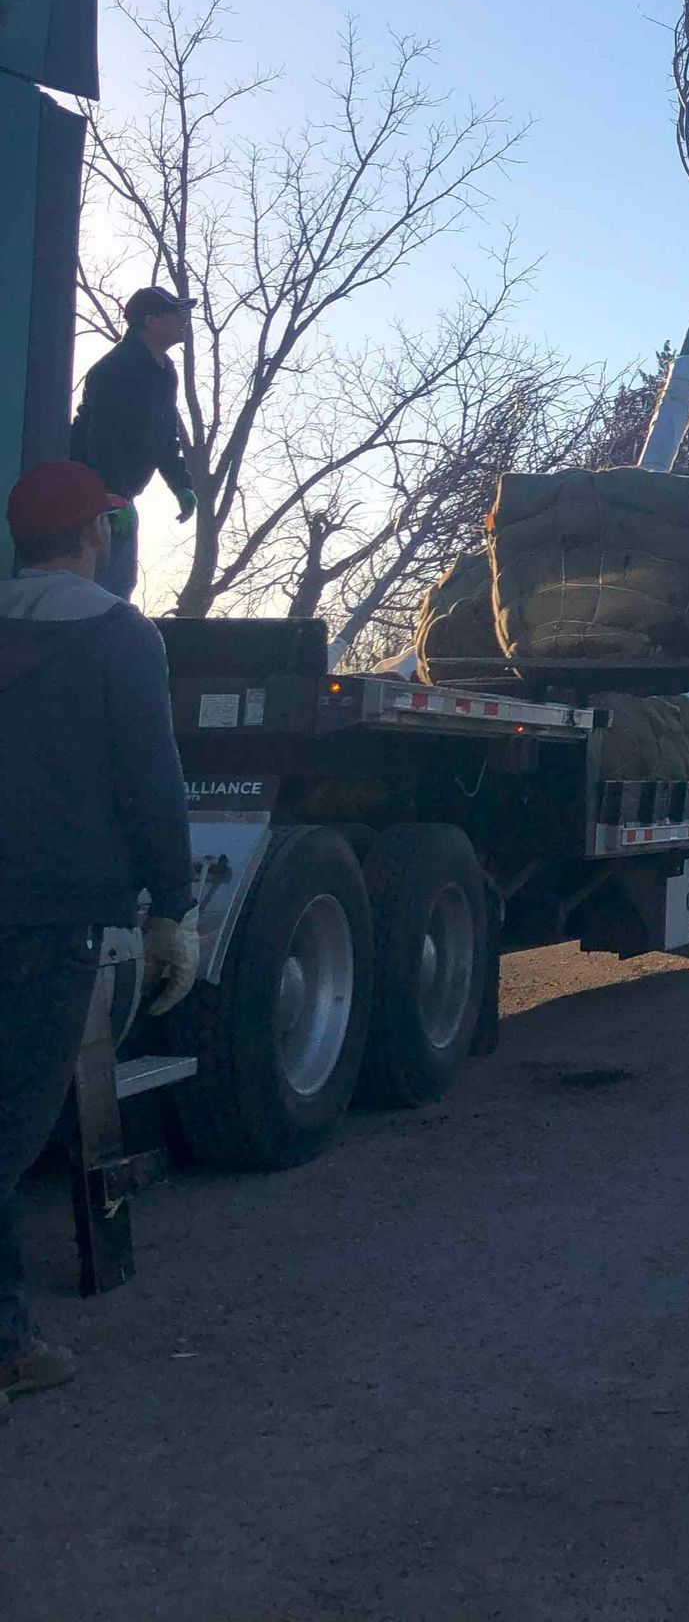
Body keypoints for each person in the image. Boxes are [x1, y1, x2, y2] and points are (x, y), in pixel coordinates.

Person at [0, 460, 198, 1415]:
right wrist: (173, 908)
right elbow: (150, 781)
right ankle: (4, 1349)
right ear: (94, 538)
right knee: (5, 1133)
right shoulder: (121, 635)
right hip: (53, 918)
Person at [69, 287, 198, 602]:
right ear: (151, 320)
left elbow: (164, 436)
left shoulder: (165, 371)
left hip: (120, 496)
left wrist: (181, 484)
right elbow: (100, 438)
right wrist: (110, 497)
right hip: (89, 496)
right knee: (99, 590)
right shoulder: (116, 369)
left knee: (119, 588)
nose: (185, 320)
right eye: (175, 313)